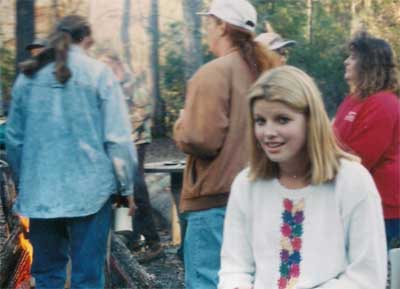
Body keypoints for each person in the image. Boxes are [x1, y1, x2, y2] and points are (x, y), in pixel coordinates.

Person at [218, 65, 387, 289]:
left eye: (282, 119)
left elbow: (367, 275)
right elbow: (234, 267)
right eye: (260, 121)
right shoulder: (246, 184)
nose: (268, 132)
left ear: (311, 120)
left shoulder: (351, 180)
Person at [6, 15, 137, 289]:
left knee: (47, 277)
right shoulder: (99, 74)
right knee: (87, 278)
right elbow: (118, 141)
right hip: (91, 193)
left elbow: (14, 141)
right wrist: (125, 193)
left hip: (40, 193)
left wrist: (25, 183)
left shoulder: (27, 78)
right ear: (85, 39)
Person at [173, 0, 278, 287]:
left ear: (222, 26)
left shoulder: (213, 73)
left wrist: (181, 125)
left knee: (208, 280)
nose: (206, 30)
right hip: (262, 196)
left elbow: (202, 140)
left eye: (210, 23)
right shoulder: (265, 71)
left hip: (216, 203)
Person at [333, 32, 400, 250]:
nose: (346, 61)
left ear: (368, 64)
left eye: (352, 57)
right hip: (355, 199)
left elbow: (360, 158)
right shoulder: (354, 100)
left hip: (382, 207)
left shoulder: (384, 104)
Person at [99, 51, 163, 262]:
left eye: (107, 64)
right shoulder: (107, 84)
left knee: (137, 190)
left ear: (116, 62)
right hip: (117, 144)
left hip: (135, 142)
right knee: (121, 191)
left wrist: (122, 130)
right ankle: (132, 237)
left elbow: (145, 110)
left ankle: (154, 242)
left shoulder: (133, 83)